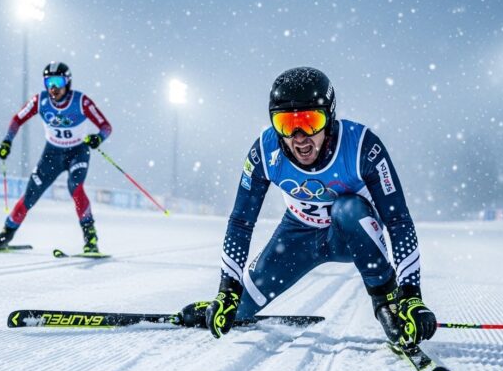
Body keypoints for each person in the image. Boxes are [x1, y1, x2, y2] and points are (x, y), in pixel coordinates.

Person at [177, 67, 436, 347]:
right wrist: (227, 289)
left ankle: (388, 301)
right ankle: (226, 306)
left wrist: (411, 293)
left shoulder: (362, 146)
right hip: (297, 236)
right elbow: (241, 221)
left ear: (329, 117)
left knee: (347, 209)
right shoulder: (265, 152)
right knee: (240, 311)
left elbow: (398, 222)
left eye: (310, 121)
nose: (299, 136)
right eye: (286, 124)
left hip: (349, 237)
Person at [0, 62, 112, 254]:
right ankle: (6, 234)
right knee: (30, 195)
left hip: (77, 152)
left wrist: (98, 138)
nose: (53, 87)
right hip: (51, 154)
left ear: (67, 82)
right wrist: (7, 142)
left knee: (75, 188)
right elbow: (17, 119)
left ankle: (90, 238)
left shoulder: (81, 101)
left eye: (58, 81)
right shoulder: (40, 101)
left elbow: (106, 127)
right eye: (49, 82)